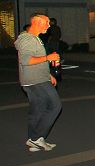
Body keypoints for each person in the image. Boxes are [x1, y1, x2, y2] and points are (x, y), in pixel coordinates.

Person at [15, 14, 62, 152]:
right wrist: (49, 57)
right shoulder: (28, 39)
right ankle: (36, 138)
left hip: (37, 78)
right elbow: (26, 60)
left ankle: (34, 140)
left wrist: (48, 75)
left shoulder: (34, 38)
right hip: (35, 81)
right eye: (46, 23)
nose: (49, 25)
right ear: (37, 23)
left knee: (37, 110)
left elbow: (35, 60)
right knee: (55, 106)